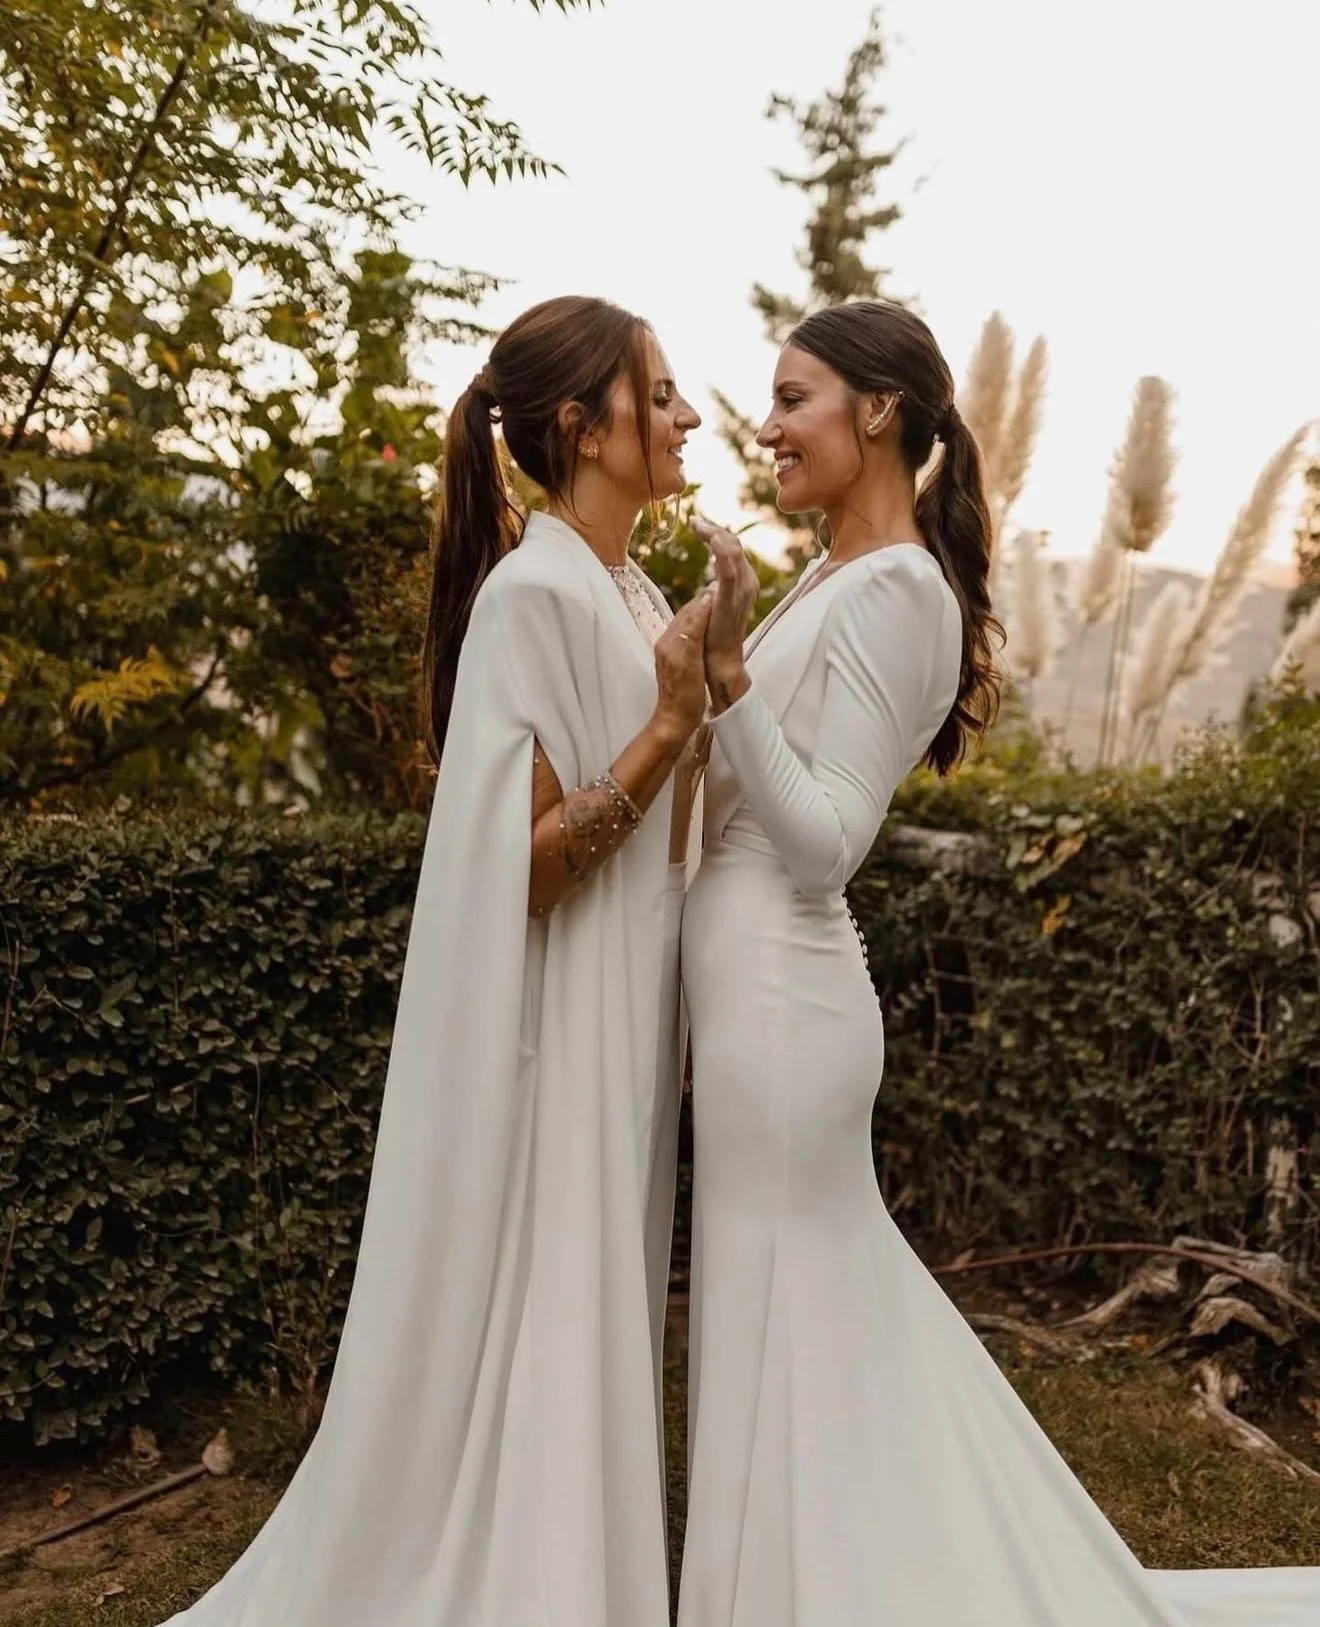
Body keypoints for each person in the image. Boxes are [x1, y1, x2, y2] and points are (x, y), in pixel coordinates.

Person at [677, 298, 1320, 1627]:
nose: (771, 425)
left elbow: (824, 842)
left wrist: (729, 681)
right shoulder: (841, 575)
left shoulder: (901, 587)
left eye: (796, 397)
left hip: (787, 1009)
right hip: (754, 1002)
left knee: (793, 1331)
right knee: (792, 1334)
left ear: (877, 410)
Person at [161, 295, 711, 1627]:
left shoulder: (628, 584)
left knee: (598, 1305)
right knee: (553, 1305)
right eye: (663, 391)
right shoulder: (532, 594)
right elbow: (520, 868)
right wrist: (670, 726)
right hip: (564, 1028)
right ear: (584, 427)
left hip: (630, 1013)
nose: (691, 416)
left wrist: (715, 691)